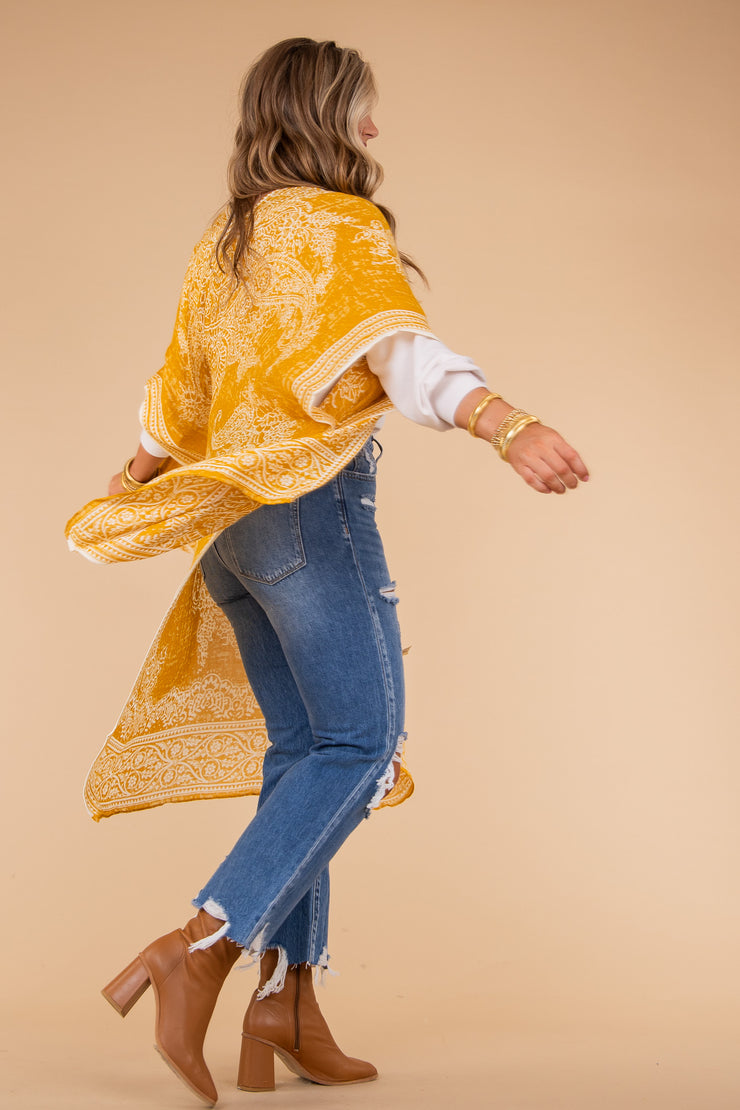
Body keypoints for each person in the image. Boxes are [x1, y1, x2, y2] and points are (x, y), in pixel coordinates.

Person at [67, 36, 589, 1107]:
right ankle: (200, 946)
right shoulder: (341, 226)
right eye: (361, 109)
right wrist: (507, 424)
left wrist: (136, 474)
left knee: (304, 752)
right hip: (307, 513)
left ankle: (288, 1007)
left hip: (230, 531)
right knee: (361, 743)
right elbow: (404, 356)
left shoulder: (226, 239)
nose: (373, 129)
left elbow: (178, 388)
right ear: (323, 115)